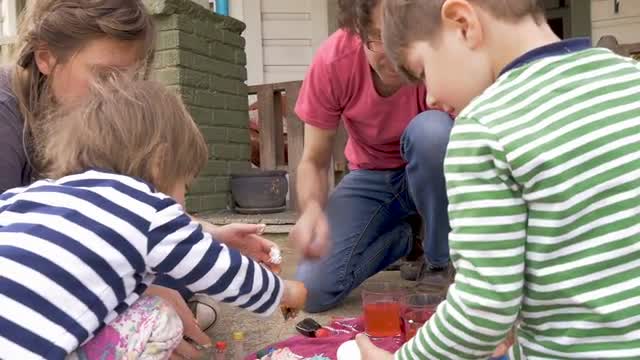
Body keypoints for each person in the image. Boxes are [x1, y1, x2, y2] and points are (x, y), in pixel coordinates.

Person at [355, 0, 640, 358]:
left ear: (462, 23)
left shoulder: (484, 127)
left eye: (424, 70)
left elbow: (482, 309)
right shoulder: (630, 79)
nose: (429, 96)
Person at [0, 1, 280, 356]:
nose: (117, 92)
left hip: (52, 276)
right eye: (104, 76)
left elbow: (116, 213)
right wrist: (137, 299)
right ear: (46, 58)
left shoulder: (87, 117)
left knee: (179, 275)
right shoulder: (5, 113)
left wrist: (205, 236)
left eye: (131, 77)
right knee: (160, 298)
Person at [289, 0, 454, 313]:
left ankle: (439, 260)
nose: (392, 54)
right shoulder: (333, 59)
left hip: (436, 171)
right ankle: (406, 240)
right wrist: (311, 209)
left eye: (401, 36)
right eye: (378, 37)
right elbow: (313, 159)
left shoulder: (442, 53)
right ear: (358, 30)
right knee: (312, 292)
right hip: (371, 174)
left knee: (432, 133)